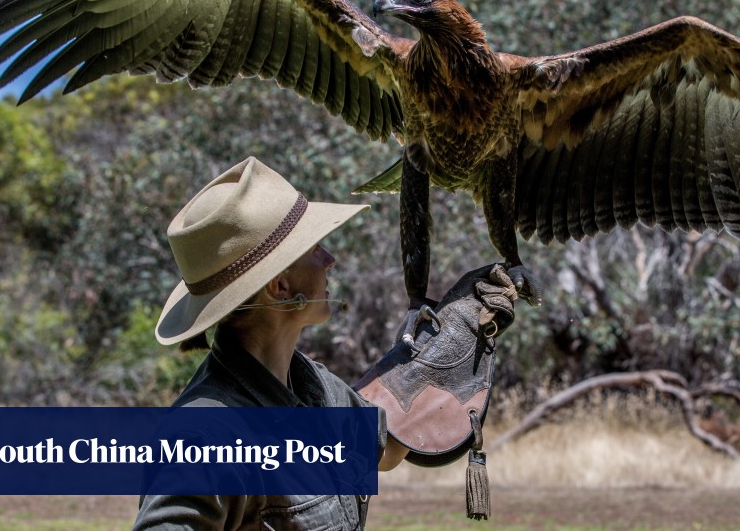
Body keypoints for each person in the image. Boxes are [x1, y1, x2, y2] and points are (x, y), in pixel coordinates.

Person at [133, 157, 513, 530]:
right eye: (314, 248)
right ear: (279, 287)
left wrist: (459, 332)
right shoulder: (203, 434)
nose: (329, 259)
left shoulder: (312, 385)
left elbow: (388, 450)